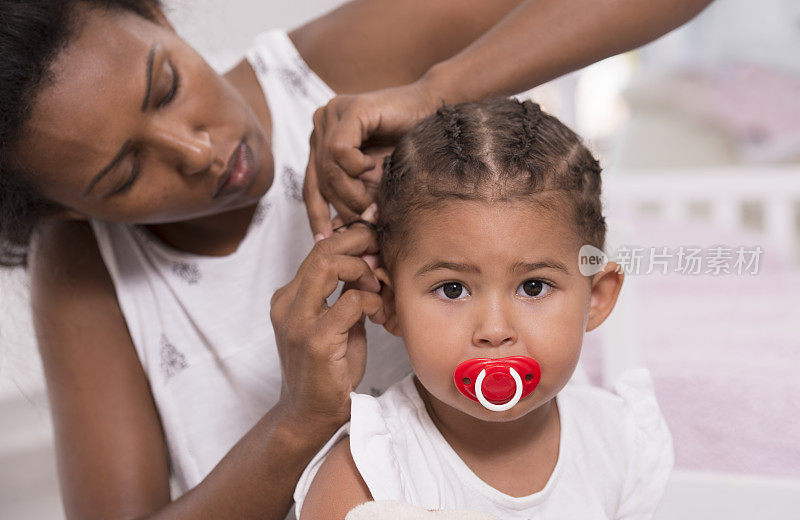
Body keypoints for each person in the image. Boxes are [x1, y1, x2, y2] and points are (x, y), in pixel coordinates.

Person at [0, 1, 702, 519]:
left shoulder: (331, 65)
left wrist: (437, 90)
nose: (198, 153)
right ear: (66, 209)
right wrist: (298, 422)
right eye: (124, 174)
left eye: (167, 86)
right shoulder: (83, 266)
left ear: (155, 14)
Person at [295, 98, 673, 519]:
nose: (494, 330)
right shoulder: (370, 475)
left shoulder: (617, 440)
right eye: (453, 289)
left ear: (596, 299)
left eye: (533, 287)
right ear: (391, 305)